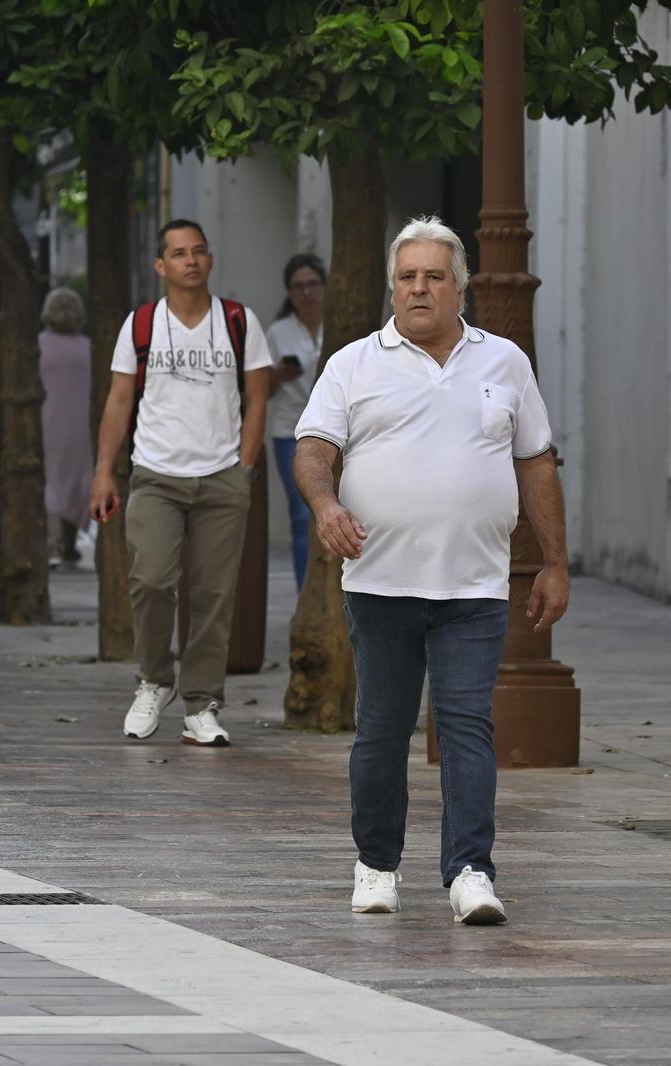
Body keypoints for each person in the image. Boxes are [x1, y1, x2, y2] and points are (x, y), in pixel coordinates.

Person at [293, 216, 569, 924]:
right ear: (393, 286)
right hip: (380, 582)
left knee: (467, 725)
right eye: (408, 277)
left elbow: (535, 460)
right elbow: (314, 449)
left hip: (474, 585)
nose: (419, 289)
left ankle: (471, 871)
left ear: (460, 288)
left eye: (434, 277)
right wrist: (325, 506)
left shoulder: (504, 361)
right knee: (382, 731)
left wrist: (554, 562)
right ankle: (376, 865)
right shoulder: (354, 363)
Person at [89, 219, 271, 748]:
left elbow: (258, 397)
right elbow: (120, 400)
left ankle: (201, 704)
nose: (190, 261)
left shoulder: (238, 321)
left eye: (198, 252)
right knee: (150, 580)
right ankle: (153, 681)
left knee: (214, 594)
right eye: (178, 253)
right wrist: (105, 470)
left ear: (209, 261)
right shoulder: (141, 324)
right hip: (155, 474)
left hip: (222, 477)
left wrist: (245, 465)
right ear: (161, 266)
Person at [265, 253, 326, 588]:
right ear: (289, 292)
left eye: (313, 284)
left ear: (325, 286)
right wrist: (279, 374)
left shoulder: (340, 320)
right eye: (298, 286)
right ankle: (307, 596)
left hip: (340, 432)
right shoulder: (279, 332)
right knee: (303, 517)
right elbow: (264, 390)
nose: (307, 292)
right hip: (291, 431)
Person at [38, 287, 92, 568]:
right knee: (76, 483)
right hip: (80, 425)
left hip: (45, 421)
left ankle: (50, 544)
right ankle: (69, 545)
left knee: (50, 480)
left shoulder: (38, 346)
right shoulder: (88, 349)